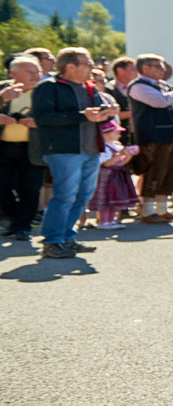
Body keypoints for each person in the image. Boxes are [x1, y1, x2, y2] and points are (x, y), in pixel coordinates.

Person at [30, 47, 116, 259]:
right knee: (65, 195)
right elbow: (43, 118)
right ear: (70, 67)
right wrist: (82, 116)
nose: (92, 68)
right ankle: (52, 241)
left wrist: (106, 114)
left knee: (83, 196)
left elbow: (93, 115)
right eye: (87, 64)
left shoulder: (89, 87)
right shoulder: (48, 87)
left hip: (91, 148)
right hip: (64, 150)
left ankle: (67, 237)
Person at [126, 54, 173, 224]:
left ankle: (162, 209)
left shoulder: (162, 85)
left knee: (169, 172)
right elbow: (160, 101)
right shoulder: (138, 86)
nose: (163, 70)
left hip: (171, 134)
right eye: (158, 66)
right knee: (155, 171)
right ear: (145, 68)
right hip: (154, 135)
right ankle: (148, 211)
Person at [1, 55, 43, 241]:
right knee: (2, 187)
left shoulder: (46, 91)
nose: (35, 76)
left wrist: (39, 122)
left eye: (37, 72)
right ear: (13, 74)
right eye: (30, 72)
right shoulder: (2, 90)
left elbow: (61, 116)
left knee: (31, 189)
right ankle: (12, 219)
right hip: (4, 148)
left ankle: (23, 226)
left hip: (33, 148)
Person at [88, 119, 139, 229]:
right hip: (106, 177)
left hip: (117, 176)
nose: (119, 136)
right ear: (105, 134)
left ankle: (111, 220)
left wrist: (129, 155)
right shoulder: (103, 148)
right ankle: (103, 221)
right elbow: (106, 163)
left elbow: (121, 163)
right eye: (116, 133)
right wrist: (119, 155)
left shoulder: (116, 146)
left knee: (114, 199)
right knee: (106, 199)